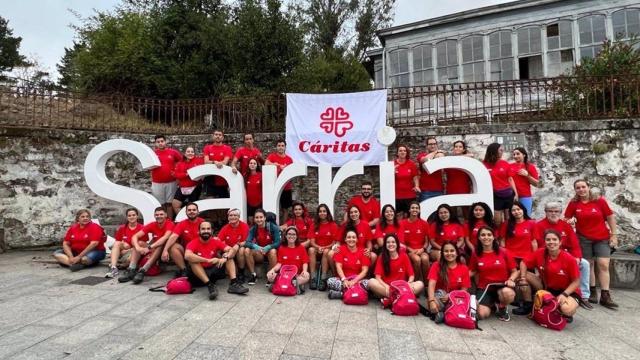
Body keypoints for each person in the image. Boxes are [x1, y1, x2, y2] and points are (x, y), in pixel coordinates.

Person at [564, 179, 618, 309]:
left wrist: (614, 235)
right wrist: (569, 222)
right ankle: (592, 290)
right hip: (583, 238)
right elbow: (566, 218)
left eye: (583, 187)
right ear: (575, 190)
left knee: (603, 264)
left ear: (588, 187)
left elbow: (610, 217)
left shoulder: (599, 201)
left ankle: (605, 295)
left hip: (602, 237)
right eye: (578, 188)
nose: (581, 189)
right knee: (589, 265)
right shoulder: (574, 203)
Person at [535, 201, 592, 309]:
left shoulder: (566, 226)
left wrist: (576, 258)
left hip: (566, 256)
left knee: (584, 264)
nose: (553, 213)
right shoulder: (539, 225)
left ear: (560, 213)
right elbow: (539, 246)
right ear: (545, 212)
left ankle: (584, 297)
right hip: (548, 256)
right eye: (550, 211)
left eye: (556, 211)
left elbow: (575, 245)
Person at [519, 229, 581, 318]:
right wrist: (523, 278)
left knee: (566, 309)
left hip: (568, 291)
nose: (551, 242)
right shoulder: (540, 252)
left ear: (560, 242)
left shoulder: (569, 259)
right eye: (548, 240)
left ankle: (563, 310)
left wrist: (564, 294)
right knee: (520, 273)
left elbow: (576, 282)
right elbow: (523, 263)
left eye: (554, 239)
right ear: (545, 242)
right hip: (548, 288)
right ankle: (528, 305)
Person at [184, 221, 249, 300]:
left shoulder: (216, 241)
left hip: (213, 272)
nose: (206, 231)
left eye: (208, 229)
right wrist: (207, 260)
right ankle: (210, 286)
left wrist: (225, 257)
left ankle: (233, 284)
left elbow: (230, 249)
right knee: (192, 261)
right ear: (199, 231)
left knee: (229, 256)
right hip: (197, 276)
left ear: (212, 231)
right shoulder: (193, 242)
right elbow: (187, 255)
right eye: (203, 229)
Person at [468, 227, 517, 321]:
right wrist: (459, 277)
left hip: (502, 286)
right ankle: (493, 305)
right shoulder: (476, 253)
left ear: (494, 237)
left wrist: (511, 280)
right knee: (481, 314)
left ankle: (502, 307)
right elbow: (472, 271)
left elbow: (515, 271)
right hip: (485, 288)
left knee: (507, 293)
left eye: (489, 235)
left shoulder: (504, 251)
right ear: (478, 238)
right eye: (483, 235)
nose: (486, 237)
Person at [499, 201, 537, 315]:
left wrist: (535, 258)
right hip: (511, 257)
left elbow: (534, 242)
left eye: (518, 209)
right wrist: (504, 254)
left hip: (527, 258)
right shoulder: (506, 224)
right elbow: (502, 240)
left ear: (523, 210)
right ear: (510, 213)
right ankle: (518, 300)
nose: (516, 212)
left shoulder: (531, 223)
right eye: (513, 210)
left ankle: (528, 303)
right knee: (513, 279)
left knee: (524, 280)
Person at [119, 207, 174, 284]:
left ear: (165, 215)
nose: (159, 216)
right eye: (157, 215)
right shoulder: (152, 224)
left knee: (160, 244)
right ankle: (131, 269)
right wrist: (138, 248)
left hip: (166, 250)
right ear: (154, 216)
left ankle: (143, 270)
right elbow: (135, 236)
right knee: (139, 242)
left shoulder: (169, 223)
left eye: (161, 214)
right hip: (153, 249)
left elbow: (165, 238)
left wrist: (149, 247)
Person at [369, 234, 424, 305]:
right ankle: (402, 297)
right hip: (387, 288)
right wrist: (386, 286)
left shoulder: (404, 255)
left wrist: (409, 283)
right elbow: (377, 277)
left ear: (397, 244)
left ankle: (392, 299)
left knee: (420, 284)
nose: (390, 244)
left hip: (401, 287)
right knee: (371, 282)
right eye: (388, 242)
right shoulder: (382, 257)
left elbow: (411, 275)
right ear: (385, 245)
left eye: (393, 242)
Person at [426, 241, 471, 321]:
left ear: (457, 253)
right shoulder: (436, 265)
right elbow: (431, 284)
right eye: (446, 251)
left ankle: (445, 313)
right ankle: (448, 313)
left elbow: (464, 290)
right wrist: (431, 301)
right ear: (442, 253)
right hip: (440, 297)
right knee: (433, 304)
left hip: (456, 298)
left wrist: (451, 295)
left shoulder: (464, 268)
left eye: (452, 251)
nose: (449, 253)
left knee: (475, 305)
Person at [162, 202, 204, 278]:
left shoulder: (203, 222)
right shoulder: (181, 224)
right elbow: (173, 236)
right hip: (187, 252)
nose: (191, 212)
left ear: (198, 211)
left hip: (201, 252)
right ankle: (184, 270)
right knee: (173, 247)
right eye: (189, 210)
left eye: (194, 210)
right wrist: (165, 250)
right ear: (186, 212)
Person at [327, 229, 371, 300]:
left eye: (353, 237)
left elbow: (365, 271)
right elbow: (338, 266)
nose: (351, 239)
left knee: (369, 283)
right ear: (345, 239)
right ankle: (356, 293)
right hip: (344, 279)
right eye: (349, 237)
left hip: (358, 280)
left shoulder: (363, 251)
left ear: (357, 239)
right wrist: (344, 280)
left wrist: (354, 281)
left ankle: (342, 294)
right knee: (330, 281)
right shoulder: (340, 249)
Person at [242, 209, 281, 285]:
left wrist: (269, 247)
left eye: (261, 217)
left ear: (265, 218)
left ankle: (272, 276)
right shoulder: (254, 229)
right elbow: (247, 242)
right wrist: (255, 246)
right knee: (247, 250)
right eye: (257, 217)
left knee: (273, 251)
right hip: (260, 252)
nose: (259, 219)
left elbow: (278, 242)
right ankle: (253, 275)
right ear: (254, 219)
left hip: (270, 252)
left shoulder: (273, 227)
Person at [266, 226, 310, 294]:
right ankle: (294, 286)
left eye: (293, 234)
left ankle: (279, 285)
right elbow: (279, 263)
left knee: (307, 277)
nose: (291, 236)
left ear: (297, 236)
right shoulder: (281, 248)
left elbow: (305, 262)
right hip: (284, 275)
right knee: (270, 276)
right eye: (289, 234)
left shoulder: (301, 248)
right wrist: (272, 270)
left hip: (296, 275)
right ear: (286, 236)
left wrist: (304, 271)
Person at [483, 143, 517, 226]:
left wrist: (516, 193)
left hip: (508, 193)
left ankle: (507, 236)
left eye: (502, 150)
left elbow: (510, 179)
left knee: (508, 218)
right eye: (500, 150)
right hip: (494, 195)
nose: (502, 152)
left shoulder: (505, 164)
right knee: (496, 219)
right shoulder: (484, 164)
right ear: (494, 151)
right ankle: (497, 236)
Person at [307, 204, 339, 291]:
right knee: (310, 249)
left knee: (326, 252)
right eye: (320, 211)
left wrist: (324, 248)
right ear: (318, 213)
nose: (322, 213)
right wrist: (319, 247)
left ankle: (323, 278)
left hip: (327, 250)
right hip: (317, 249)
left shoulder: (333, 225)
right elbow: (312, 242)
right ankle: (313, 278)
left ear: (327, 213)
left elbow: (334, 242)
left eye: (324, 211)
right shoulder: (314, 225)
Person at [332, 205, 375, 270]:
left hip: (361, 251)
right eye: (351, 212)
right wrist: (336, 247)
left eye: (355, 212)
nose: (353, 214)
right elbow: (338, 241)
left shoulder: (365, 225)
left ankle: (366, 274)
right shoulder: (345, 225)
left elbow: (369, 242)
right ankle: (335, 273)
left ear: (359, 213)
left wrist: (368, 249)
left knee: (373, 256)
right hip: (345, 251)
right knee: (330, 254)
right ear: (349, 214)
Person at [150, 135, 183, 219]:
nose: (160, 143)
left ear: (165, 142)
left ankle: (170, 222)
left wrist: (177, 172)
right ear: (155, 143)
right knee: (161, 204)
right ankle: (163, 221)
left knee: (170, 203)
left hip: (171, 181)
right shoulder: (152, 154)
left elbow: (182, 162)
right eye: (158, 142)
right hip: (157, 182)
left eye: (162, 141)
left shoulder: (173, 152)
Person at [106, 208, 144, 278]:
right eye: (129, 215)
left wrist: (128, 250)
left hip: (134, 252)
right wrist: (122, 248)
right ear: (127, 217)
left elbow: (142, 245)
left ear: (137, 216)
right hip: (123, 252)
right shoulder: (122, 228)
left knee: (129, 259)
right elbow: (117, 244)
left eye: (133, 215)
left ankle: (123, 265)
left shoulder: (142, 228)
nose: (131, 217)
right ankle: (114, 268)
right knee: (117, 244)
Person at [265, 140, 294, 224]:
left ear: (285, 147)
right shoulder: (272, 156)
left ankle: (282, 227)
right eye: (279, 145)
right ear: (276, 147)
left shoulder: (289, 159)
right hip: (274, 187)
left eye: (282, 145)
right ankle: (275, 225)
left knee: (285, 209)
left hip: (286, 187)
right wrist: (276, 164)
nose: (280, 147)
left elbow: (292, 172)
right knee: (274, 207)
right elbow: (266, 163)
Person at [217, 208, 250, 282]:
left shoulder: (244, 226)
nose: (233, 217)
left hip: (240, 250)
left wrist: (237, 245)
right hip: (229, 251)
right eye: (231, 215)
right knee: (224, 253)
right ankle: (233, 277)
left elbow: (246, 241)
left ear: (238, 217)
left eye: (235, 215)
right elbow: (218, 241)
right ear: (228, 217)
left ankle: (241, 273)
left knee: (241, 250)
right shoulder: (225, 228)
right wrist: (225, 247)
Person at [400, 201, 430, 282]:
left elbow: (427, 242)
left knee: (425, 258)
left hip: (421, 249)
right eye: (412, 208)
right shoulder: (402, 223)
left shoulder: (424, 223)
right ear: (409, 210)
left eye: (417, 208)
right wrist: (411, 250)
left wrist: (422, 249)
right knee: (417, 260)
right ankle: (416, 282)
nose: (415, 210)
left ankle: (426, 284)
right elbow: (402, 242)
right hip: (408, 250)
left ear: (419, 211)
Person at [172, 146, 204, 216]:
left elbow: (201, 173)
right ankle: (183, 219)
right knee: (175, 204)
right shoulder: (180, 163)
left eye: (192, 152)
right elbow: (176, 175)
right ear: (185, 153)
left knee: (192, 207)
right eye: (188, 152)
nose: (190, 153)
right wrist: (187, 174)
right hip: (182, 187)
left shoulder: (199, 161)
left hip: (195, 187)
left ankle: (193, 220)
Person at [446, 140, 473, 219]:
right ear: (453, 149)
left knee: (467, 214)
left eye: (460, 147)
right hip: (451, 190)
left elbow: (471, 155)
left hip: (464, 190)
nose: (457, 148)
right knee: (452, 214)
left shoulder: (468, 160)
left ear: (463, 150)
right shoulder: (448, 161)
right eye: (456, 146)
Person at [202, 129, 233, 198]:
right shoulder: (207, 148)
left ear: (222, 137)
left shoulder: (227, 148)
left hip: (223, 180)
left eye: (220, 135)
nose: (218, 136)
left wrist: (216, 163)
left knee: (224, 205)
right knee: (210, 202)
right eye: (216, 134)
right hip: (210, 179)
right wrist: (214, 162)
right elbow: (206, 162)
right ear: (213, 136)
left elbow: (225, 162)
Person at [510, 147, 539, 216]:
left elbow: (536, 184)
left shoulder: (530, 167)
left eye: (518, 154)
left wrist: (527, 175)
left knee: (526, 216)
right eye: (514, 154)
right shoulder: (510, 167)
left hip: (525, 196)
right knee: (512, 219)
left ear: (524, 155)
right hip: (512, 197)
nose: (515, 156)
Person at [394, 145, 420, 219]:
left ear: (407, 153)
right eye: (400, 150)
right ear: (397, 153)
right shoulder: (392, 164)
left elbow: (415, 177)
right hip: (397, 196)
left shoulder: (411, 164)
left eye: (404, 151)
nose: (402, 152)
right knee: (397, 217)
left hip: (409, 195)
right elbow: (387, 179)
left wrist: (417, 186)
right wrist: (391, 172)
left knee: (410, 216)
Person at [416, 137, 445, 202]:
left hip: (439, 190)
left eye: (434, 144)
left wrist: (438, 153)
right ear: (427, 146)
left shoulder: (440, 154)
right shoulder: (421, 155)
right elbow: (424, 160)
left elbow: (442, 158)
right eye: (430, 144)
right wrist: (435, 152)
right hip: (426, 191)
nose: (433, 145)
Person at [245, 158, 262, 224]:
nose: (252, 165)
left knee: (259, 221)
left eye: (254, 163)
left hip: (259, 202)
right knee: (251, 222)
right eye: (251, 163)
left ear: (257, 165)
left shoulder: (261, 175)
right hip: (249, 203)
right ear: (248, 165)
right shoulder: (245, 176)